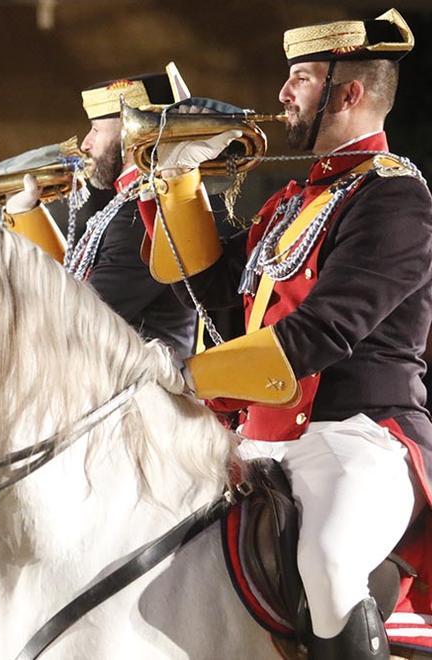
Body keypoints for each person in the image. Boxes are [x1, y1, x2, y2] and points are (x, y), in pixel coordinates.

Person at [144, 9, 430, 658]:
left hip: (359, 435)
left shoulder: (394, 196)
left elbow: (323, 332)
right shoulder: (292, 201)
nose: (282, 93)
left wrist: (186, 377)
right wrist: (180, 177)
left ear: (349, 92)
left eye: (301, 77)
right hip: (261, 436)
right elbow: (216, 296)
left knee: (328, 565)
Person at [5, 65, 197, 359]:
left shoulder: (141, 213)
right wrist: (26, 214)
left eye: (96, 130)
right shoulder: (126, 204)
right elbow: (72, 282)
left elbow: (78, 314)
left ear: (133, 136)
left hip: (143, 395)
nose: (85, 143)